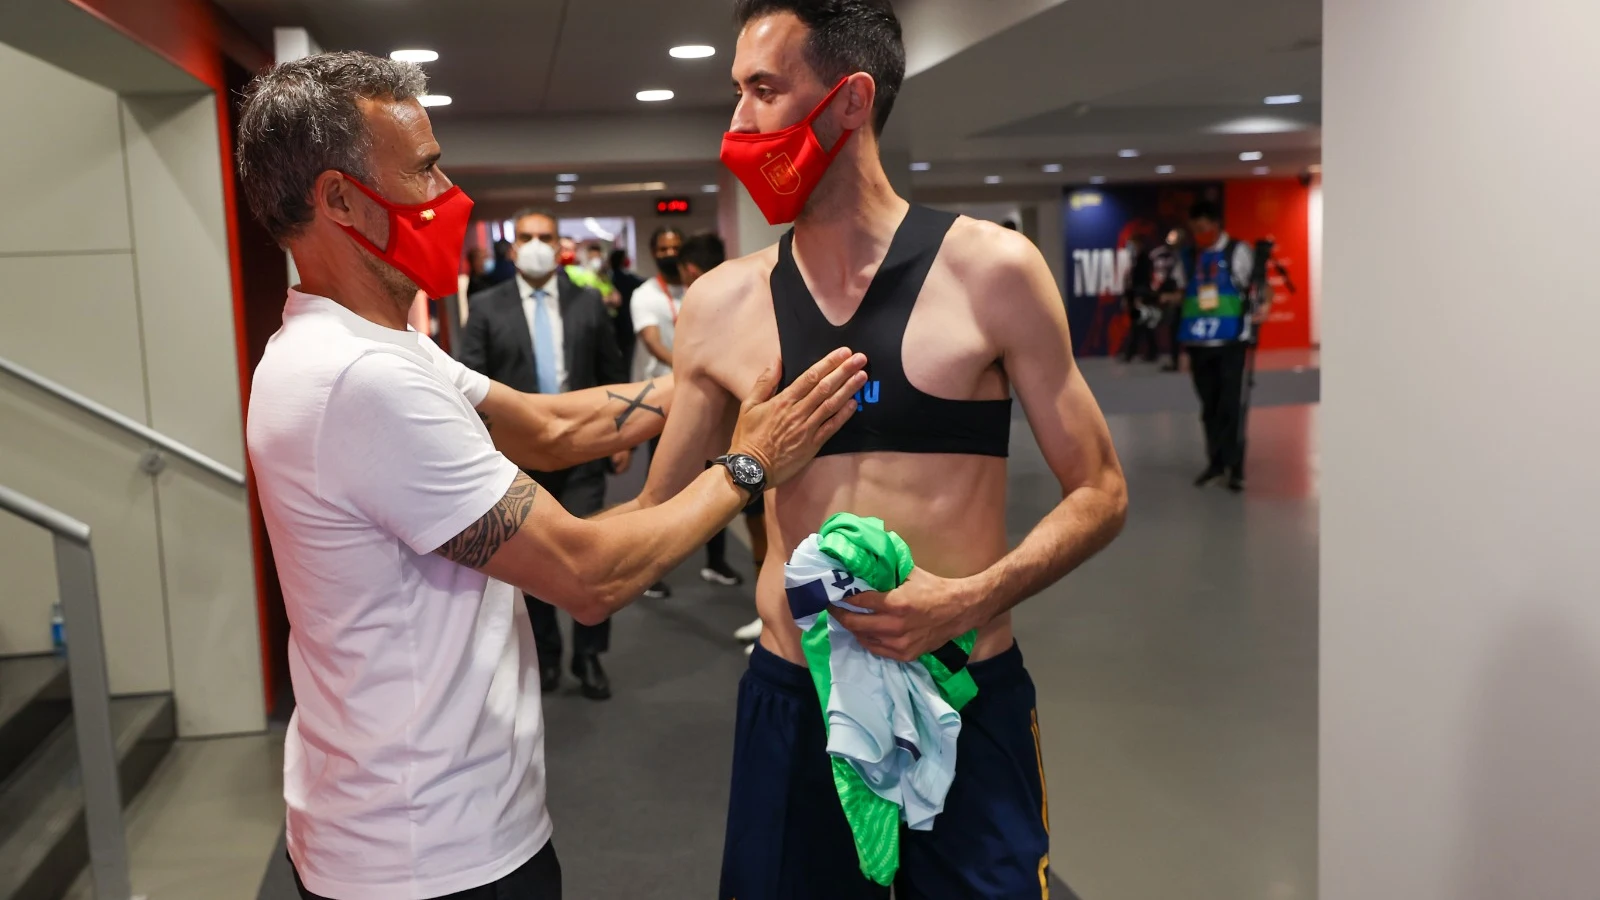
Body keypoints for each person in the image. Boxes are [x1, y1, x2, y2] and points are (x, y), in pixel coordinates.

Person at [237, 51, 866, 900]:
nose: (446, 191)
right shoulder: (358, 381)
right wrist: (750, 464)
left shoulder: (371, 347)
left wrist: (710, 372)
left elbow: (550, 425)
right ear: (340, 199)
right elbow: (586, 576)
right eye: (424, 170)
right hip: (427, 856)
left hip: (416, 823)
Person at [606, 3, 1127, 897]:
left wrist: (970, 597)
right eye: (735, 91)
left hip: (961, 693)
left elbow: (1101, 492)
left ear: (850, 100)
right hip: (792, 697)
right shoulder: (721, 305)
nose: (736, 122)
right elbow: (653, 521)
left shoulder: (992, 272)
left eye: (763, 91)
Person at [459, 208, 632, 701]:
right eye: (527, 237)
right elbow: (474, 381)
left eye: (546, 237)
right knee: (533, 562)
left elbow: (612, 376)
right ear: (513, 249)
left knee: (595, 552)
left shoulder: (589, 304)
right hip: (516, 460)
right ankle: (549, 655)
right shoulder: (488, 306)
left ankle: (590, 655)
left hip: (584, 452)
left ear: (561, 247)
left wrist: (621, 440)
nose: (536, 244)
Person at [677, 232, 770, 623]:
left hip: (759, 439)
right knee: (761, 527)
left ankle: (773, 616)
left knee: (770, 528)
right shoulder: (756, 295)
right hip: (744, 438)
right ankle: (770, 615)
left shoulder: (724, 304)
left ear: (692, 272)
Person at [1174, 199, 1272, 492]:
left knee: (1232, 405)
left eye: (1203, 228)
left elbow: (1262, 285)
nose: (1199, 234)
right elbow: (1185, 297)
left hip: (1231, 341)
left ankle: (1235, 467)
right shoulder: (1189, 256)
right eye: (1195, 230)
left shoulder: (1237, 252)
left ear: (1216, 225)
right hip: (1198, 343)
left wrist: (1265, 305)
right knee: (1210, 407)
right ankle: (1215, 463)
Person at [629, 225, 688, 599]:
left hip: (701, 398)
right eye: (663, 247)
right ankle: (650, 570)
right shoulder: (645, 294)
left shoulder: (699, 286)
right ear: (654, 253)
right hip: (660, 402)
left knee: (716, 475)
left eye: (675, 246)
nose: (670, 252)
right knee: (660, 488)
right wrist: (691, 366)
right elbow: (652, 343)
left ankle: (716, 561)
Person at [1153, 228, 1184, 371]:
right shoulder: (1168, 258)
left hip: (1192, 303)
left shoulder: (1188, 257)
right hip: (1177, 302)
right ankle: (1175, 360)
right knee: (1173, 329)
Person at [608, 248, 643, 364]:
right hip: (625, 319)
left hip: (615, 320)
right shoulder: (624, 277)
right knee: (628, 352)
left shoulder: (609, 276)